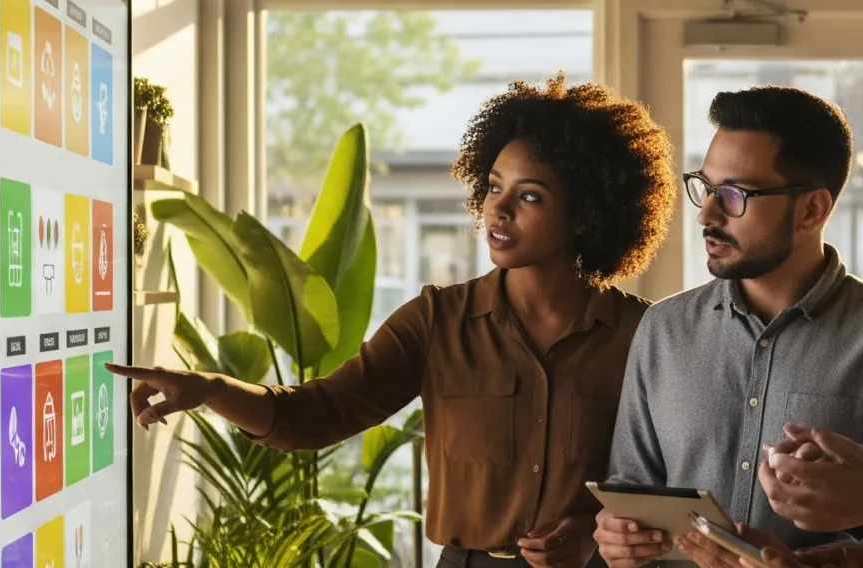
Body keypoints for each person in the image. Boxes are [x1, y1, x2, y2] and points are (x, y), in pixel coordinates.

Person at [107, 72, 677, 568]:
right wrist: (210, 388)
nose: (497, 210)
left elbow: (668, 484)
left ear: (587, 215)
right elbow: (317, 414)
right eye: (495, 187)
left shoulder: (645, 337)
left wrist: (592, 535)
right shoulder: (436, 321)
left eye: (529, 197)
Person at [591, 84, 863, 568]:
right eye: (707, 186)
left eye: (735, 194)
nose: (706, 214)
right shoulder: (663, 329)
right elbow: (632, 488)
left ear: (812, 210)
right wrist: (617, 536)